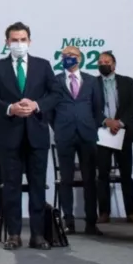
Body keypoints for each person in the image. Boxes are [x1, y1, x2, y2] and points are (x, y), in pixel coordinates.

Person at [0, 22, 64, 251]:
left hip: (37, 134)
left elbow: (56, 93)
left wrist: (37, 105)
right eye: (14, 40)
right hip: (9, 134)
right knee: (11, 187)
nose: (18, 44)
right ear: (7, 42)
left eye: (22, 39)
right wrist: (11, 108)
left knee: (38, 186)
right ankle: (14, 234)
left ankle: (38, 235)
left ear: (29, 41)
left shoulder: (43, 65)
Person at [52, 45, 104, 236]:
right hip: (64, 134)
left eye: (72, 55)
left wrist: (91, 124)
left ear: (80, 59)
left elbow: (98, 107)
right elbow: (50, 109)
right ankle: (68, 222)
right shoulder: (55, 80)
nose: (68, 58)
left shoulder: (91, 81)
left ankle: (91, 222)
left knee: (90, 179)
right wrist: (58, 125)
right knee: (65, 179)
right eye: (65, 55)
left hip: (87, 134)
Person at [95, 50, 133, 224]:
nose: (103, 64)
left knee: (126, 174)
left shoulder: (127, 82)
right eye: (100, 62)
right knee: (102, 175)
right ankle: (104, 212)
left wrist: (119, 123)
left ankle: (131, 212)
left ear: (113, 65)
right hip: (102, 133)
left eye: (106, 61)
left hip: (123, 133)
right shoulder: (93, 83)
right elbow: (91, 108)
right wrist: (107, 121)